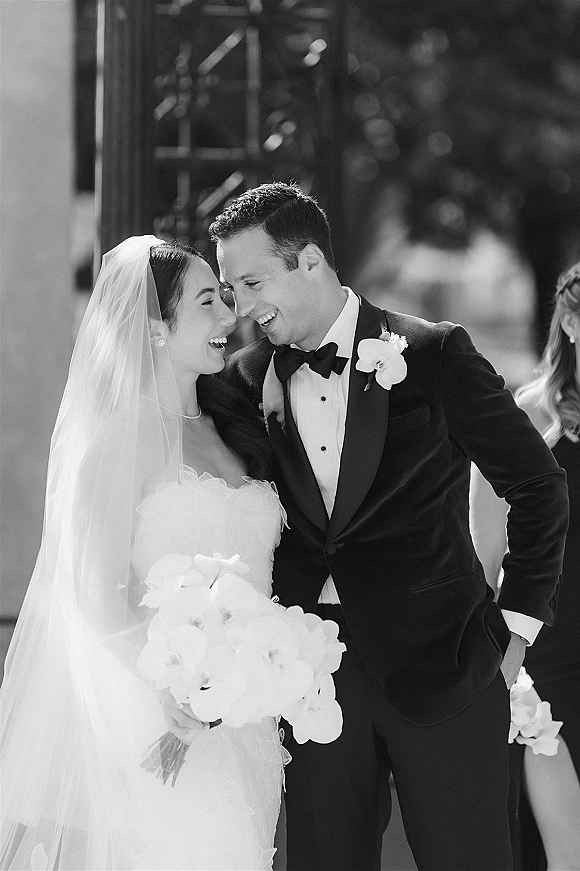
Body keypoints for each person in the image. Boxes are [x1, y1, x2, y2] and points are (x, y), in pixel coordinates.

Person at [209, 182, 570, 871]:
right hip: (312, 680)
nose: (243, 305)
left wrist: (514, 632)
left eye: (251, 280)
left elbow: (538, 486)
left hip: (448, 666)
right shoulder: (242, 382)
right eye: (228, 289)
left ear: (310, 261)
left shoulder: (435, 353)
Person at [0, 236, 287, 870]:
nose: (229, 316)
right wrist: (174, 689)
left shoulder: (230, 427)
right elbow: (93, 593)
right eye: (207, 301)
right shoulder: (118, 440)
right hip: (155, 719)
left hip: (242, 723)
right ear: (155, 327)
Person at [471, 263, 580, 871]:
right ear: (569, 321)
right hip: (553, 647)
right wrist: (502, 651)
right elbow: (488, 543)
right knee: (564, 847)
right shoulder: (529, 413)